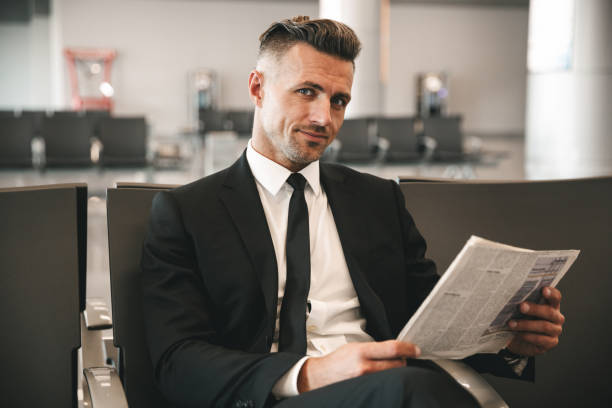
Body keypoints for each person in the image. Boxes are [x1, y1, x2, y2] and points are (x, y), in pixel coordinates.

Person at [141, 16, 565, 408]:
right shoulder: (188, 212)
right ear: (257, 88)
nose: (323, 118)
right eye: (307, 91)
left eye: (339, 100)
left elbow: (431, 322)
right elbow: (178, 360)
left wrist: (508, 344)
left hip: (389, 391)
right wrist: (308, 374)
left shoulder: (379, 200)